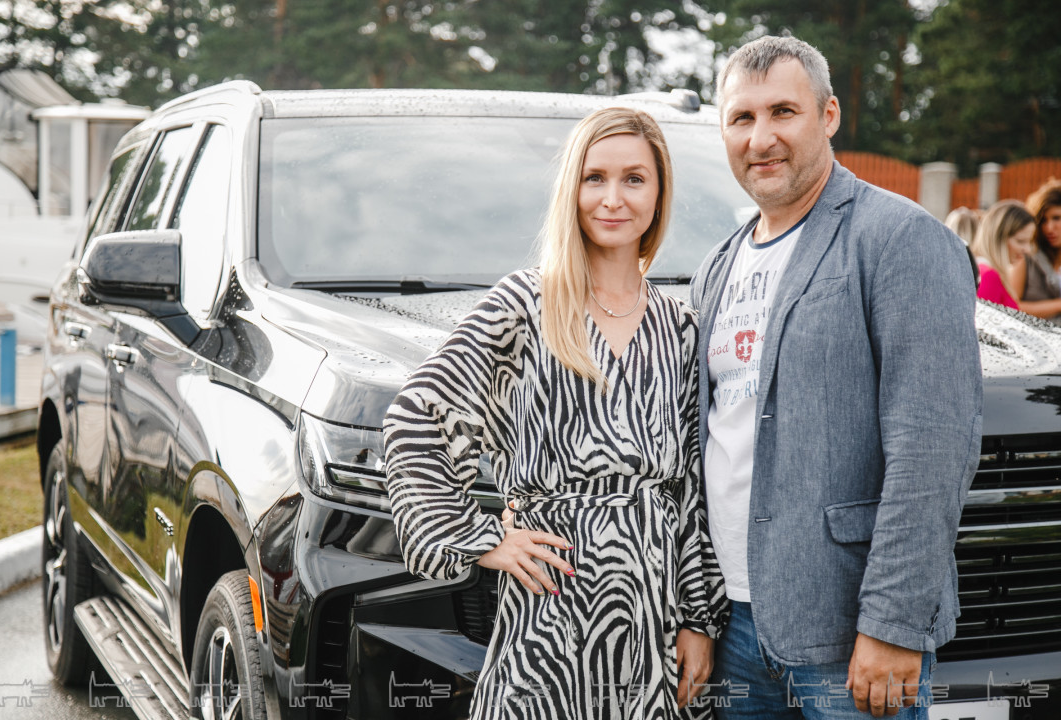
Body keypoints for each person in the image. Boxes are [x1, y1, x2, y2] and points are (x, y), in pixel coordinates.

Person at [384, 106, 728, 720]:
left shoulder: (681, 327)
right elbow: (415, 420)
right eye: (595, 178)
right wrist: (483, 538)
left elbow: (691, 494)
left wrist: (697, 620)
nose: (613, 198)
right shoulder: (525, 304)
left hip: (652, 619)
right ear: (572, 188)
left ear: (658, 194)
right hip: (549, 612)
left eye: (634, 179)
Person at [689, 36, 982, 719]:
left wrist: (893, 623)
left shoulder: (899, 238)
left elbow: (934, 447)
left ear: (828, 116)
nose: (760, 138)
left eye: (783, 112)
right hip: (731, 624)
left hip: (848, 631)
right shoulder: (715, 267)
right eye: (741, 118)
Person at [970, 200, 1035, 310]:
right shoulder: (988, 276)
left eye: (1029, 241)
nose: (1027, 250)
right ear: (999, 238)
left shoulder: (982, 270)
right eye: (1020, 241)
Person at [1014, 178, 1061, 323]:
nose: (1049, 228)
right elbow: (1011, 306)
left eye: (1056, 218)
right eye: (1043, 220)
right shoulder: (1026, 255)